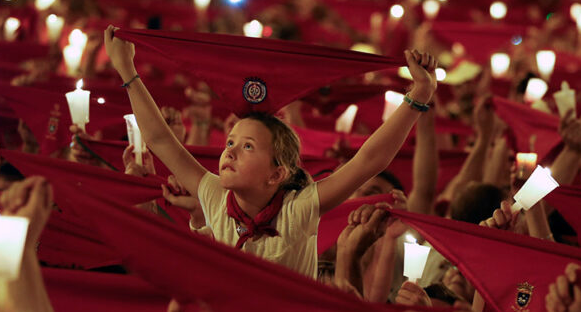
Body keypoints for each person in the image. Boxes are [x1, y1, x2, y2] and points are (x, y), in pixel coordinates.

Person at [105, 24, 437, 276]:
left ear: (277, 173)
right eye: (230, 143)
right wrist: (127, 71)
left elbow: (369, 160)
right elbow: (162, 141)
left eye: (247, 146)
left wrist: (419, 95)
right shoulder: (215, 196)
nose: (230, 152)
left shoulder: (299, 208)